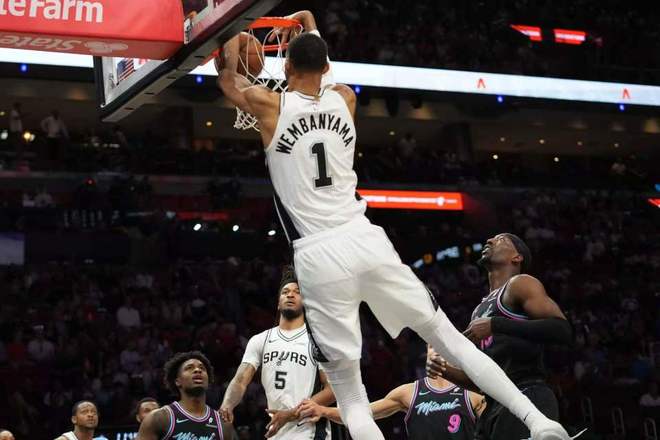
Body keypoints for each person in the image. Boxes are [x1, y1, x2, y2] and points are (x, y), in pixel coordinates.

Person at [217, 10, 571, 440]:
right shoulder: (344, 98)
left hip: (317, 253)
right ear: (325, 68)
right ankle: (540, 422)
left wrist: (231, 35)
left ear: (286, 66)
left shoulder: (268, 104)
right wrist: (307, 22)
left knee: (350, 394)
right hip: (364, 238)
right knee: (450, 339)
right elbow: (319, 62)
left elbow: (228, 79)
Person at [427, 233, 576, 440]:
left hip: (528, 394)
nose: (489, 241)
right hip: (494, 405)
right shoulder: (478, 311)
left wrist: (496, 324)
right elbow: (483, 379)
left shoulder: (520, 284)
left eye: (501, 240)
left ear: (517, 257)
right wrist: (444, 370)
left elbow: (562, 330)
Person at [220, 266, 335, 439]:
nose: (290, 295)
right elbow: (240, 380)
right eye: (285, 292)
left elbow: (332, 390)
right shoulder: (260, 340)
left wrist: (291, 414)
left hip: (310, 432)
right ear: (278, 303)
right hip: (277, 431)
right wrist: (227, 405)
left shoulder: (317, 341)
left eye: (297, 292)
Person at [296, 346, 485, 440]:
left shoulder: (472, 393)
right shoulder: (409, 392)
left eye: (442, 345)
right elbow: (362, 415)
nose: (437, 350)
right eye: (432, 345)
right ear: (426, 353)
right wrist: (323, 410)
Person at [136, 351, 236, 440]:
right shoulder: (159, 418)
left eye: (202, 368)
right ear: (178, 381)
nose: (197, 370)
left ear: (208, 380)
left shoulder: (223, 424)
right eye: (189, 368)